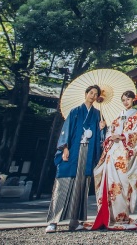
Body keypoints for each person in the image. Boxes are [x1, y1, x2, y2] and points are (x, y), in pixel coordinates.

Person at [45, 85, 106, 233]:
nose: (93, 95)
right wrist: (64, 148)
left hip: (88, 152)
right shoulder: (75, 112)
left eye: (95, 94)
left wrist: (102, 128)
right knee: (63, 185)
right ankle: (53, 221)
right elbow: (66, 131)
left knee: (81, 186)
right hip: (73, 151)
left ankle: (74, 221)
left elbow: (101, 139)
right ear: (85, 94)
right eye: (91, 93)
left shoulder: (98, 114)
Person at [88, 90, 137, 231]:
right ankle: (108, 214)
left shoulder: (135, 115)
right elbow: (110, 131)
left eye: (128, 99)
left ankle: (121, 215)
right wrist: (108, 133)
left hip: (124, 154)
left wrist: (122, 137)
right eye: (124, 100)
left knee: (122, 184)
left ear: (133, 100)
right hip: (113, 151)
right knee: (109, 182)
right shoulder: (118, 116)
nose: (126, 102)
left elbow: (136, 135)